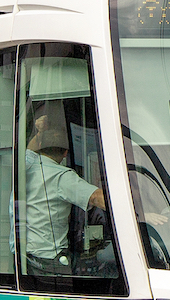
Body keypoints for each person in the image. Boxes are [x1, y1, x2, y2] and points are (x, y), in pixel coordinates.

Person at [21, 110, 107, 275]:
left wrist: (40, 132)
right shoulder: (62, 176)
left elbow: (30, 150)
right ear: (66, 152)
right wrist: (138, 211)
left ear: (41, 147)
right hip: (49, 262)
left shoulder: (26, 165)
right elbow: (96, 197)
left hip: (25, 257)